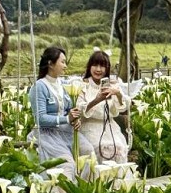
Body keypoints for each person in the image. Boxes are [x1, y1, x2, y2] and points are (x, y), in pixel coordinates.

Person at [28, 46, 83, 178]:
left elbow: (69, 108)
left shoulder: (62, 84)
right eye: (62, 62)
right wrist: (66, 119)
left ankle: (84, 191)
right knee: (67, 164)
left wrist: (75, 119)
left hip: (65, 132)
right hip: (47, 134)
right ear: (51, 64)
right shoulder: (39, 86)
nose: (65, 66)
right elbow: (40, 119)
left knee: (87, 152)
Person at [76, 49, 131, 162]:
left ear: (107, 68)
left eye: (102, 66)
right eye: (95, 65)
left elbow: (123, 107)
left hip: (110, 127)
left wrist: (118, 94)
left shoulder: (113, 85)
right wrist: (97, 100)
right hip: (89, 127)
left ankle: (116, 178)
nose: (98, 69)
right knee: (101, 149)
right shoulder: (83, 85)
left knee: (118, 148)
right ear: (89, 67)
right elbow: (79, 109)